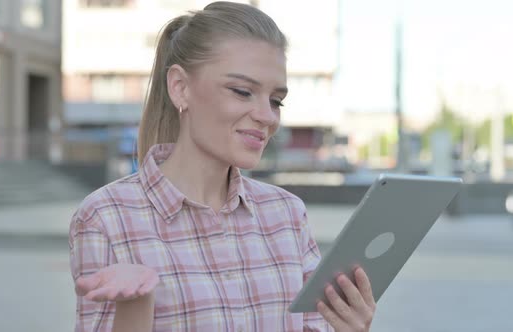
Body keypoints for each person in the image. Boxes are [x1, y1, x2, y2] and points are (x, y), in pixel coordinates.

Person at [68, 2, 376, 331]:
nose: (267, 116)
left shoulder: (287, 214)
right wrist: (136, 304)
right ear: (180, 87)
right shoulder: (106, 217)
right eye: (243, 92)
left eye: (276, 100)